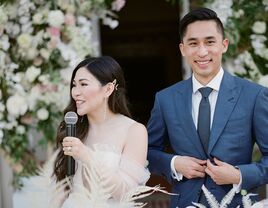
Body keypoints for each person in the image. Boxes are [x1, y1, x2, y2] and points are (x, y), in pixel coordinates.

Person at [147, 7, 268, 208]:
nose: (202, 51)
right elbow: (147, 152)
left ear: (224, 45)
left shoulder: (253, 95)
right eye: (193, 43)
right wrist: (174, 163)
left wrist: (239, 175)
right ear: (182, 49)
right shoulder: (165, 99)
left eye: (210, 42)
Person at [21, 56, 154, 208]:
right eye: (74, 85)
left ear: (108, 89)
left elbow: (127, 192)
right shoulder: (74, 128)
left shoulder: (134, 131)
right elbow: (66, 185)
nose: (75, 92)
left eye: (83, 84)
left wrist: (87, 156)